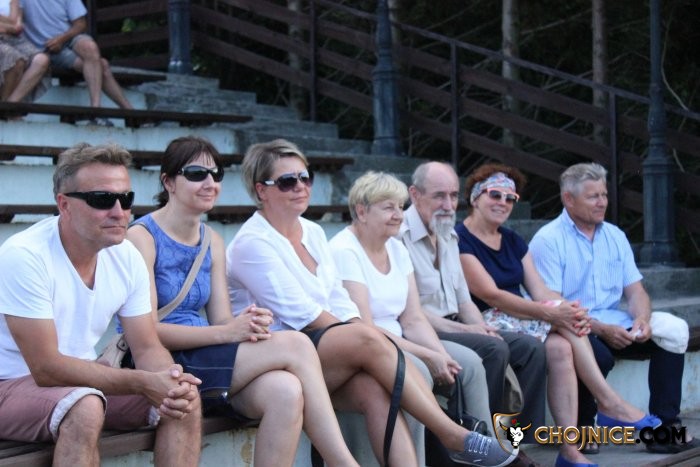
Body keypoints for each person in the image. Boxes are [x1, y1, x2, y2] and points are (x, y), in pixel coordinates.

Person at [226, 138, 518, 467]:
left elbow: (339, 300)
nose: (300, 187)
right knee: (367, 337)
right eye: (286, 181)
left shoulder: (312, 231)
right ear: (261, 190)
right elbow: (305, 315)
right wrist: (361, 335)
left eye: (305, 178)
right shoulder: (253, 243)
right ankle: (452, 435)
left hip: (320, 353)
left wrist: (359, 331)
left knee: (375, 392)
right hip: (276, 358)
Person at [126, 136, 359, 467]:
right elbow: (146, 331)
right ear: (168, 182)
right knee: (296, 343)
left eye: (216, 174)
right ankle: (344, 463)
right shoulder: (141, 237)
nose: (209, 182)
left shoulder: (212, 240)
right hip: (159, 360)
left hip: (203, 354)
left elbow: (222, 319)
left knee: (286, 391)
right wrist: (226, 332)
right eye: (196, 174)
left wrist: (246, 323)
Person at [0, 143, 201, 466]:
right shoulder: (24, 256)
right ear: (64, 204)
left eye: (126, 199)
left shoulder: (126, 255)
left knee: (183, 400)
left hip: (78, 383)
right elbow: (46, 367)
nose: (119, 212)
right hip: (10, 385)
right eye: (102, 199)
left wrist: (169, 379)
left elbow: (147, 346)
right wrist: (142, 382)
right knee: (85, 406)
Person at [457, 163, 661, 467]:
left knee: (562, 346)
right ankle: (609, 401)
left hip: (518, 315)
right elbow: (491, 294)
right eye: (494, 194)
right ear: (475, 197)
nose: (503, 202)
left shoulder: (512, 239)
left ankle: (569, 450)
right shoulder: (461, 238)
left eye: (510, 198)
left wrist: (567, 308)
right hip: (483, 317)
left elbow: (540, 289)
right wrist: (553, 313)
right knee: (564, 322)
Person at [529, 162, 697, 455]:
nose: (602, 202)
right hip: (574, 326)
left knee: (673, 329)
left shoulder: (615, 236)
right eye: (593, 196)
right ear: (569, 199)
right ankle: (583, 427)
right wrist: (601, 329)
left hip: (616, 322)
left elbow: (636, 291)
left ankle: (665, 428)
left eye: (604, 194)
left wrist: (642, 319)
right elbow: (552, 303)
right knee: (598, 353)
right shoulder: (548, 240)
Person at [329, 171, 492, 464]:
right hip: (369, 347)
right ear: (362, 212)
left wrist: (441, 354)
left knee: (469, 364)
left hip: (400, 339)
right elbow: (364, 328)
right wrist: (427, 356)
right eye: (388, 207)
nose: (398, 215)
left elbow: (413, 318)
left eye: (400, 206)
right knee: (418, 371)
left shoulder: (396, 247)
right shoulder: (344, 250)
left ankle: (484, 452)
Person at [398, 161, 546, 445]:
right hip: (423, 330)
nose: (448, 205)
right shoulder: (399, 236)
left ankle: (515, 442)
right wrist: (472, 332)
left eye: (454, 196)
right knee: (493, 348)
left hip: (455, 324)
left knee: (530, 349)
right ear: (415, 195)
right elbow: (412, 315)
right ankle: (482, 439)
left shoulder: (448, 232)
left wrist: (482, 327)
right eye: (439, 196)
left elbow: (464, 300)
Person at [20, 0, 133, 124]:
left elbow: (81, 24)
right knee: (102, 65)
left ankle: (96, 109)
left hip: (68, 38)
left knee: (90, 47)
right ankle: (129, 112)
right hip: (44, 49)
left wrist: (61, 39)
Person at [0, 0, 49, 103]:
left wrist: (7, 26)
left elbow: (17, 25)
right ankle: (5, 105)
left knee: (41, 60)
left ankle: (11, 103)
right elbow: (13, 24)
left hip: (15, 39)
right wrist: (10, 26)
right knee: (15, 59)